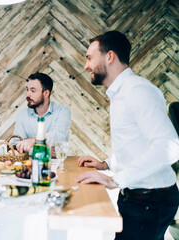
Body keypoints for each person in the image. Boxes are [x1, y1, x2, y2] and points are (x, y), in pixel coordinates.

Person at [75, 31, 179, 240]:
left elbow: (169, 147)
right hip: (139, 199)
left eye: (89, 58)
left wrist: (115, 180)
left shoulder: (137, 90)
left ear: (109, 57)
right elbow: (137, 145)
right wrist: (106, 164)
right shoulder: (121, 92)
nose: (86, 66)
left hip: (149, 202)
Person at [13, 72, 71, 153]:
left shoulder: (62, 111)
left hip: (59, 163)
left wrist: (33, 141)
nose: (28, 94)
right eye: (27, 89)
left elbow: (59, 136)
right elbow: (16, 144)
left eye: (33, 91)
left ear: (46, 93)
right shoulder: (22, 114)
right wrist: (45, 150)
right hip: (30, 164)